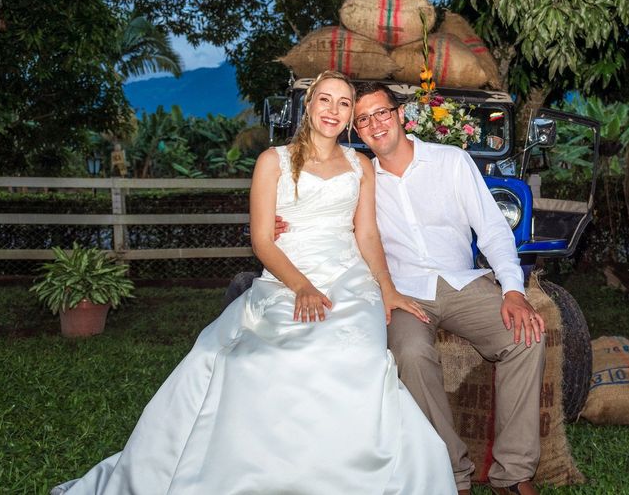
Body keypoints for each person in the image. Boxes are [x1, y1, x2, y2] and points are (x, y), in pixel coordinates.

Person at [51, 71, 456, 495]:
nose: (333, 110)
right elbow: (262, 239)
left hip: (350, 279)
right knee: (254, 360)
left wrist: (387, 288)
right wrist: (300, 286)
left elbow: (367, 234)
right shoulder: (273, 161)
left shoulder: (361, 166)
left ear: (352, 116)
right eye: (324, 100)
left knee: (355, 356)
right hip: (287, 276)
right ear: (308, 106)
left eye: (343, 103)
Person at [278, 82, 547, 495]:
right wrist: (284, 223)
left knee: (525, 338)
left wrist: (513, 290)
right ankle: (451, 473)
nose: (374, 124)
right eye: (363, 119)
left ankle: (513, 474)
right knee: (409, 352)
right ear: (356, 130)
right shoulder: (360, 176)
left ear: (401, 115)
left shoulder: (452, 161)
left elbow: (493, 230)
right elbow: (325, 220)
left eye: (381, 113)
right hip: (401, 291)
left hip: (461, 281)